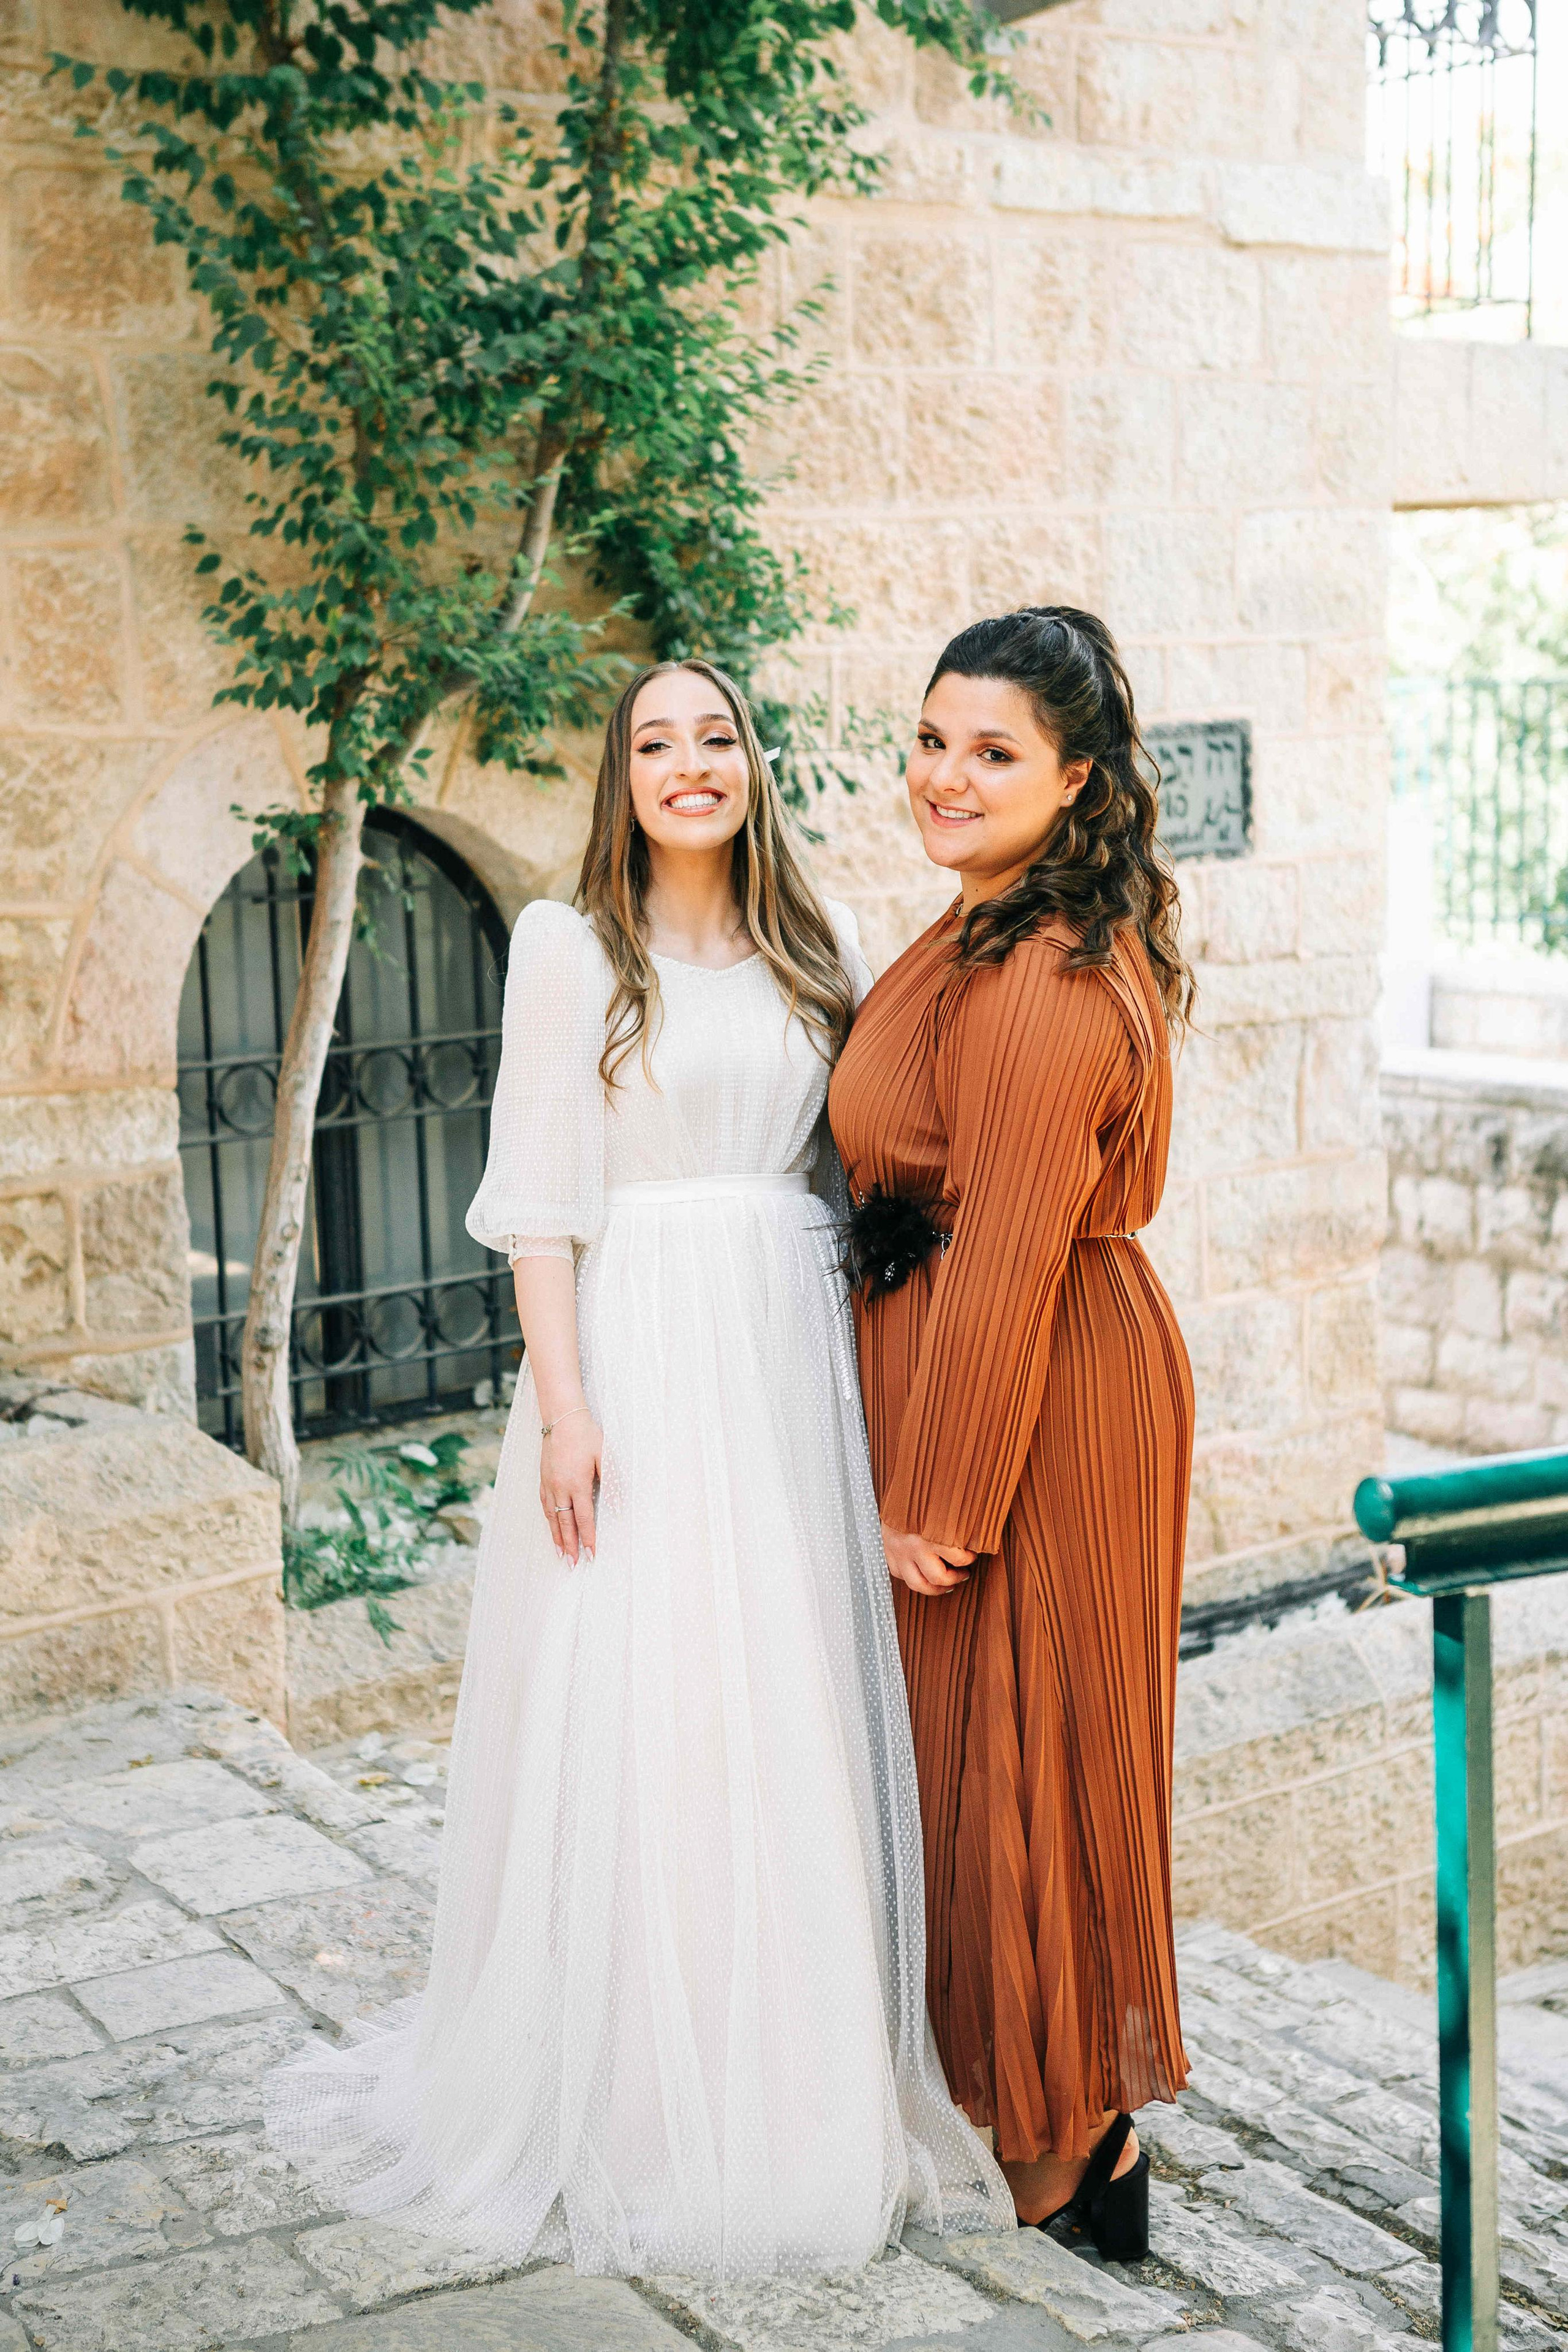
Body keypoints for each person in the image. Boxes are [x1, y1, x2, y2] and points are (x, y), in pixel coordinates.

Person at [265, 657, 1012, 2281]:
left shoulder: (815, 954)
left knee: (784, 1696)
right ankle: (638, 2100)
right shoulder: (566, 948)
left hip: (789, 1356)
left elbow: (874, 1160)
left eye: (718, 736)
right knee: (653, 1696)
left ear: (753, 766)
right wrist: (566, 1404)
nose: (692, 762)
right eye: (657, 741)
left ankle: (795, 2075)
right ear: (624, 778)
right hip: (642, 1354)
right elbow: (542, 1192)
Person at [828, 608, 1196, 2263]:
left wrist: (940, 1492)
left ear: (1077, 780)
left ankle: (1069, 2153)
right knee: (986, 1764)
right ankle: (1040, 2122)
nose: (945, 777)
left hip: (1033, 1405)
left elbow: (1014, 1243)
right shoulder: (983, 922)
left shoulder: (1044, 971)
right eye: (931, 740)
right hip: (1000, 1376)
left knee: (1027, 1764)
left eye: (992, 753)